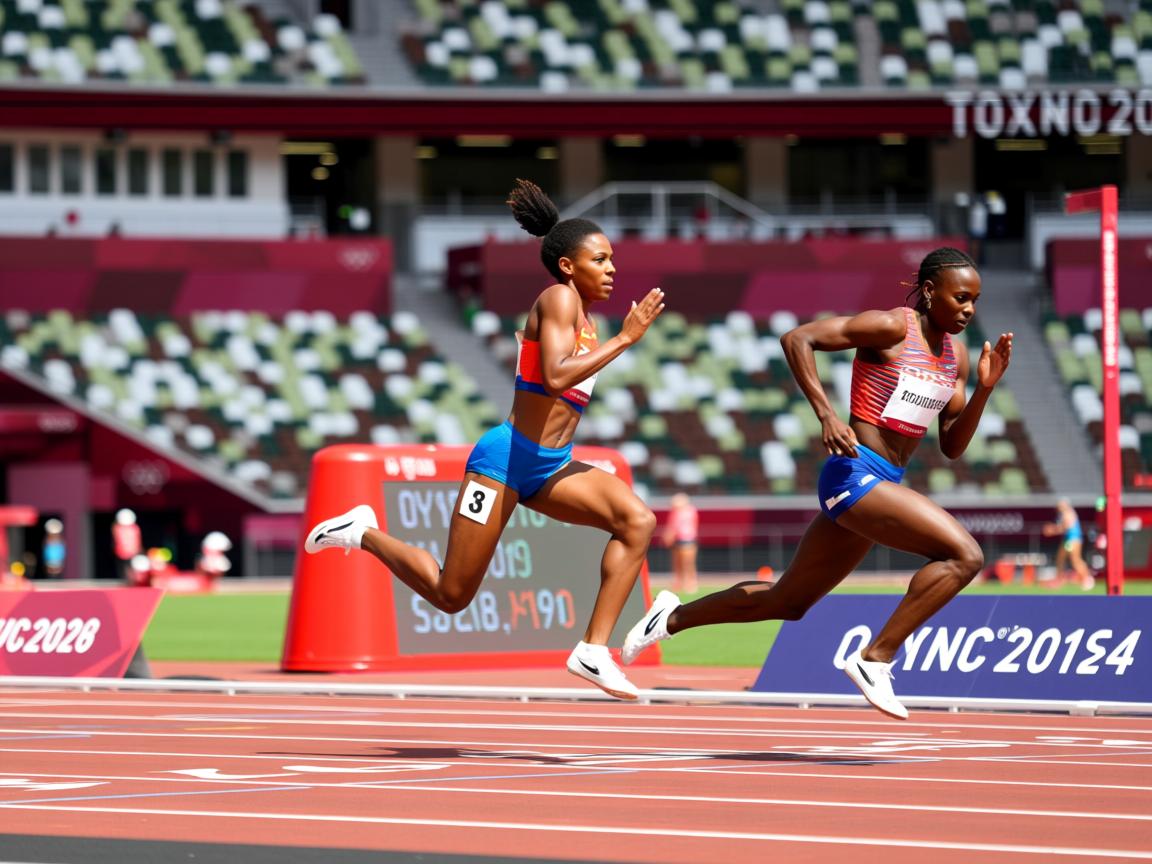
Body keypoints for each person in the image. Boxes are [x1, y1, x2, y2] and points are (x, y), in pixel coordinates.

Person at [305, 178, 666, 700]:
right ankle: (362, 532)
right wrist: (626, 338)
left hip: (552, 464)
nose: (613, 270)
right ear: (569, 266)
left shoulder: (584, 316)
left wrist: (616, 338)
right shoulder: (558, 299)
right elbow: (559, 375)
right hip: (506, 460)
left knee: (638, 521)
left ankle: (592, 650)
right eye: (601, 260)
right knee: (452, 595)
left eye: (612, 260)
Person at [621, 246, 1013, 720]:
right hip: (853, 471)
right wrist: (827, 415)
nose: (970, 309)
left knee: (789, 600)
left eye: (975, 300)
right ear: (930, 293)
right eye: (961, 298)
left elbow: (952, 445)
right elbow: (797, 338)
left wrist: (985, 391)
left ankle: (671, 616)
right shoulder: (891, 327)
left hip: (884, 479)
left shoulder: (957, 357)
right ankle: (876, 659)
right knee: (964, 555)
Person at [1042, 498, 1095, 591]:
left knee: (1075, 560)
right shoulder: (1063, 514)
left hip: (1073, 539)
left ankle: (1088, 579)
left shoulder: (1068, 513)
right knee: (1060, 559)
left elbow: (1066, 527)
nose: (1058, 508)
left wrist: (1052, 530)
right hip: (1068, 540)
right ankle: (1059, 580)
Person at [663, 493, 699, 594]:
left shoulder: (688, 511)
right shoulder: (676, 512)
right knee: (678, 563)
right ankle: (679, 582)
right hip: (679, 539)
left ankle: (690, 583)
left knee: (687, 563)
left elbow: (674, 526)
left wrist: (668, 535)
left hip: (687, 539)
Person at [112, 508, 143, 584]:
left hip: (132, 553)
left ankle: (131, 580)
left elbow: (137, 541)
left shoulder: (134, 528)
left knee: (132, 567)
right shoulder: (117, 528)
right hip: (121, 553)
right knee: (123, 568)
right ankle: (126, 580)